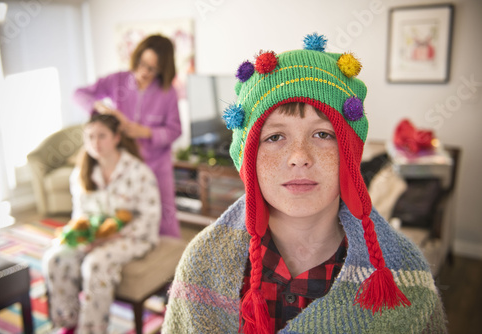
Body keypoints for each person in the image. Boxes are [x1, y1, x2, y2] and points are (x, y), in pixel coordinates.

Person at [162, 33, 447, 333]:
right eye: (274, 137)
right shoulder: (201, 264)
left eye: (323, 134)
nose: (299, 157)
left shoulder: (405, 274)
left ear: (349, 153)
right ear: (248, 158)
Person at [42, 113, 161, 334]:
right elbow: (80, 216)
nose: (95, 143)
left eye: (101, 136)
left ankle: (91, 330)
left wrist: (111, 236)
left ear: (116, 137)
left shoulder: (139, 173)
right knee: (54, 258)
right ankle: (68, 322)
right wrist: (85, 236)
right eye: (89, 137)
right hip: (94, 235)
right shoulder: (81, 174)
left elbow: (150, 218)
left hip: (134, 237)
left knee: (95, 264)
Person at [74, 34, 182, 238]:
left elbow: (175, 130)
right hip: (124, 164)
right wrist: (96, 106)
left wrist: (145, 132)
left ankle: (173, 262)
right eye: (141, 64)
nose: (144, 72)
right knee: (126, 215)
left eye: (152, 68)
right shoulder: (117, 81)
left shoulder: (168, 92)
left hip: (157, 165)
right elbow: (79, 94)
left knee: (165, 216)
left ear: (163, 69)